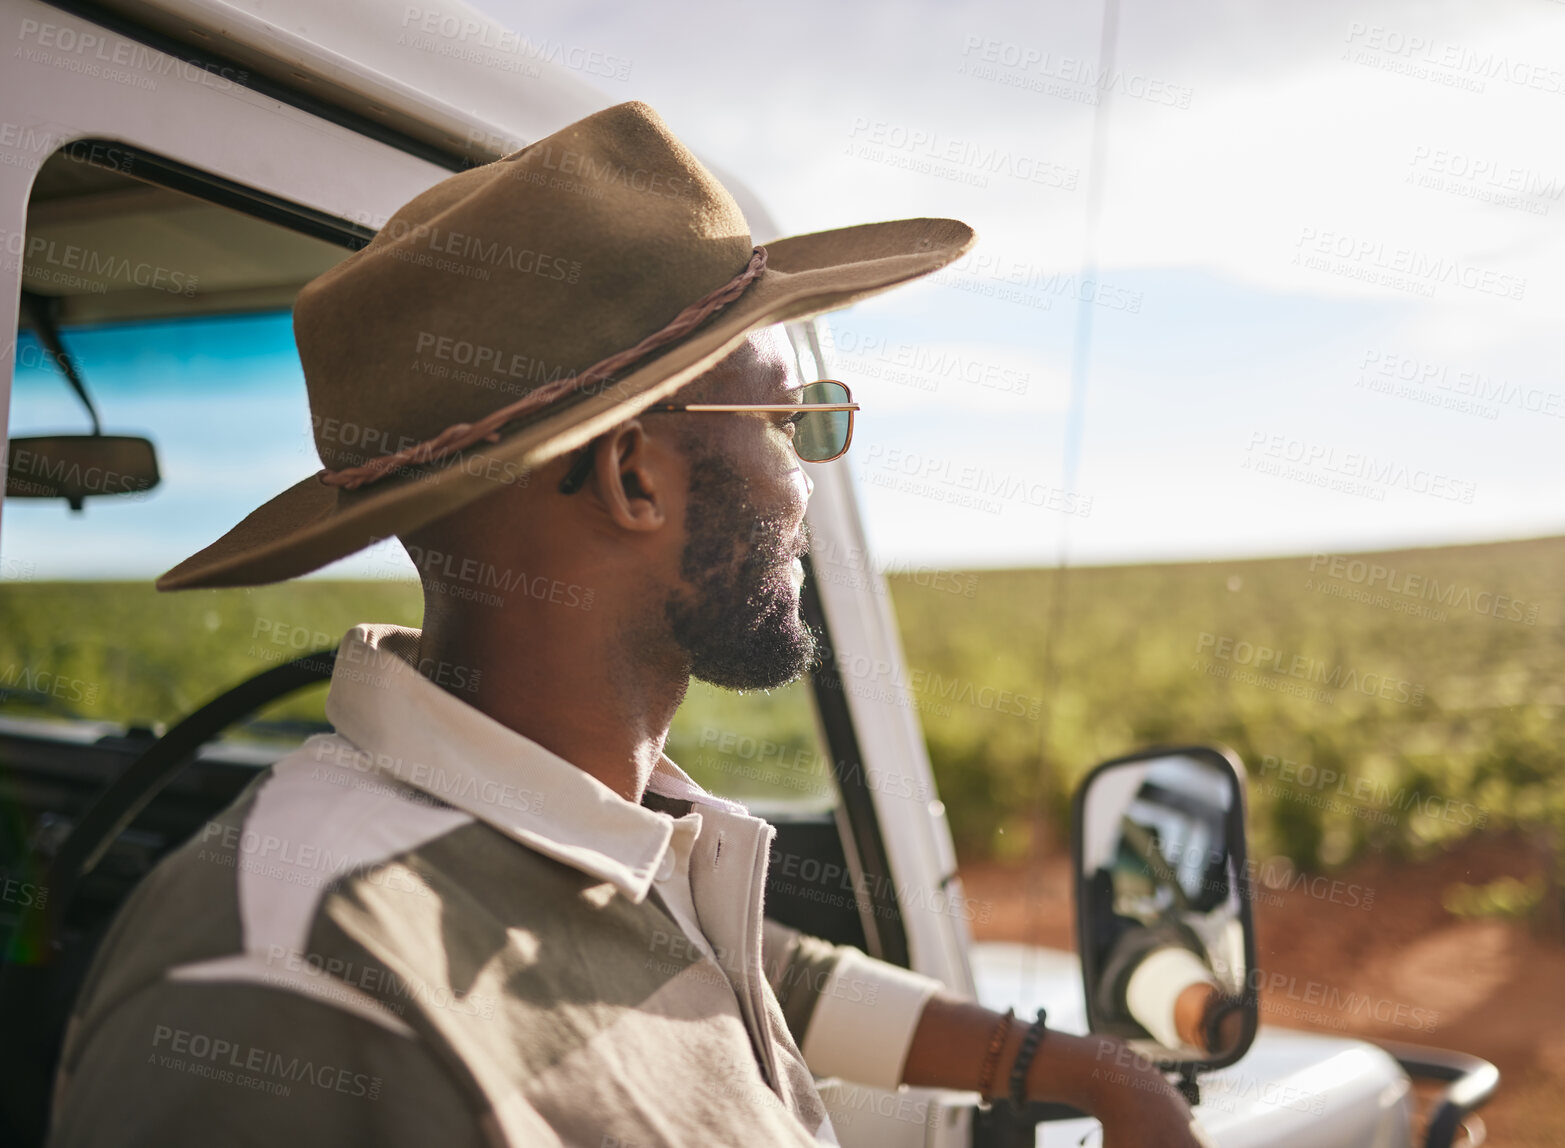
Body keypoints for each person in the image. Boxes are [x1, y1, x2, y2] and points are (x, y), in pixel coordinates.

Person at [49, 102, 1206, 1148]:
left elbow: (725, 969)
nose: (805, 484)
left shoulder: (582, 818)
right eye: (781, 420)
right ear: (635, 477)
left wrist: (1083, 1067)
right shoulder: (294, 982)